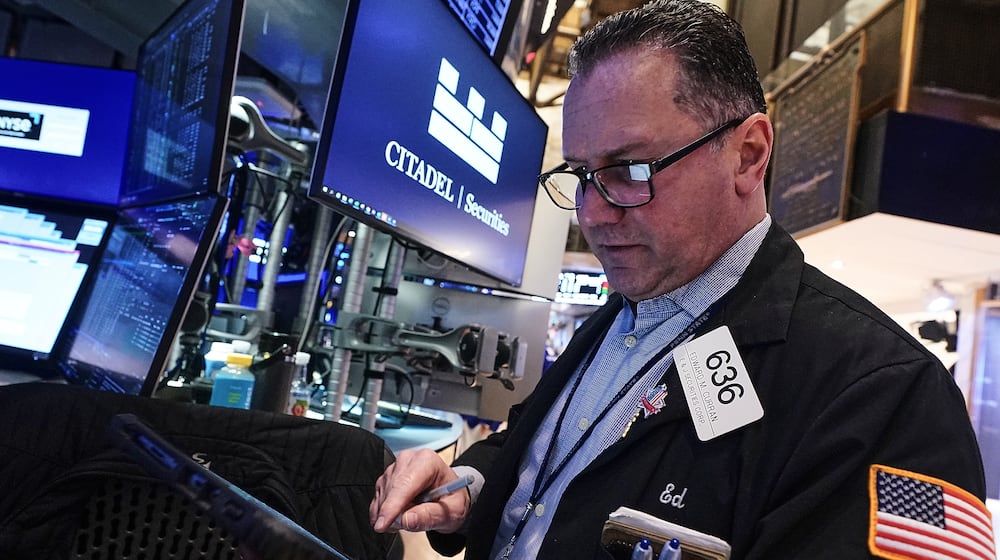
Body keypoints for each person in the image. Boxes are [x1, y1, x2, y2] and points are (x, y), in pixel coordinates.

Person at [369, 1, 991, 558]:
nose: (593, 212)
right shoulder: (625, 313)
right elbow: (551, 450)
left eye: (631, 168)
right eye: (583, 174)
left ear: (748, 154)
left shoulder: (887, 395)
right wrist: (468, 487)